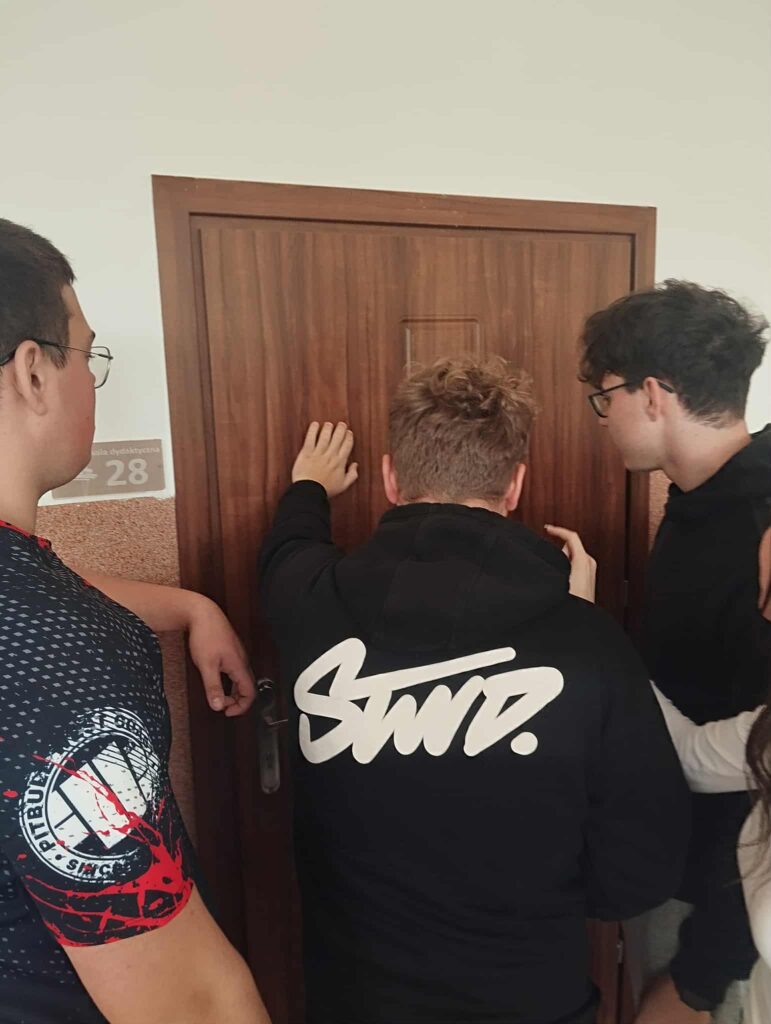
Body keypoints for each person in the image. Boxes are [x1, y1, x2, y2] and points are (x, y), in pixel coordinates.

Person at [258, 357, 690, 1024]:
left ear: (390, 478)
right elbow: (638, 876)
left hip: (355, 1004)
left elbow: (287, 551)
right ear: (515, 485)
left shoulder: (309, 600)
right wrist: (578, 621)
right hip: (534, 1003)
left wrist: (307, 487)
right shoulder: (590, 646)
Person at [0, 218, 270, 1024]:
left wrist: (192, 607)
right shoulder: (49, 653)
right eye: (87, 355)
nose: (91, 380)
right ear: (33, 373)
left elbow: (48, 581)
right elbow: (192, 1004)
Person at [578, 279, 771, 1024]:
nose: (603, 420)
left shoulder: (756, 529)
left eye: (605, 398)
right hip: (674, 867)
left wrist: (699, 979)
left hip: (727, 920)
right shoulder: (698, 502)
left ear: (653, 394)